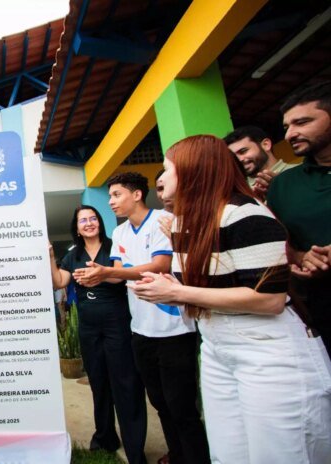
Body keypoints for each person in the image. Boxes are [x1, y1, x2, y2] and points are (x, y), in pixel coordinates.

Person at [132, 134, 331, 463]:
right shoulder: (186, 223)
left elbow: (269, 299)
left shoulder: (246, 214)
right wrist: (166, 285)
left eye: (167, 169)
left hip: (267, 351)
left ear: (195, 170)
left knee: (279, 454)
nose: (161, 178)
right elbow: (201, 287)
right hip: (216, 345)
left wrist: (177, 292)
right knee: (228, 454)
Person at [74, 172, 210, 464]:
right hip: (140, 330)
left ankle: (196, 457)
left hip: (174, 328)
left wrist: (108, 272)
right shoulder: (120, 232)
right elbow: (120, 274)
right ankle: (177, 455)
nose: (111, 202)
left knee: (181, 406)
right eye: (110, 196)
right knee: (160, 403)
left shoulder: (163, 221)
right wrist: (96, 276)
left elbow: (161, 265)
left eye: (116, 195)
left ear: (136, 194)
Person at [49, 205, 147, 464]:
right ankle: (105, 437)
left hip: (118, 324)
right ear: (77, 227)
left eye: (93, 218)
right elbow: (60, 281)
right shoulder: (73, 254)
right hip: (89, 328)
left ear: (100, 223)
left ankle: (135, 447)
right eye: (83, 220)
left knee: (126, 384)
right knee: (99, 383)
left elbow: (119, 277)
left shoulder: (114, 246)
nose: (89, 223)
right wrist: (50, 256)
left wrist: (101, 274)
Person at [267, 81, 331, 354]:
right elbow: (279, 242)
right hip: (321, 308)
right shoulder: (283, 185)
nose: (291, 133)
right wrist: (301, 257)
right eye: (287, 127)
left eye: (302, 122)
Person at [224, 126, 294, 197]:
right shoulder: (237, 192)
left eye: (243, 151)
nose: (239, 159)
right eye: (234, 157)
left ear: (265, 145)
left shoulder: (297, 173)